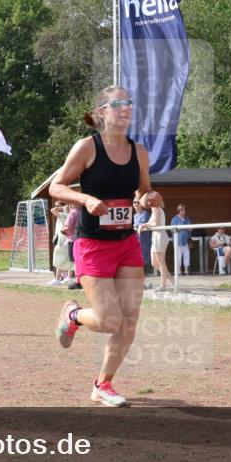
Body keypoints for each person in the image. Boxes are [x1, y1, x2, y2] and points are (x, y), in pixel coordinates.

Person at [49, 85, 163, 408]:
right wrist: (85, 199)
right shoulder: (86, 148)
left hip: (126, 242)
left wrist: (148, 199)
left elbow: (141, 193)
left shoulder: (139, 152)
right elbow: (57, 188)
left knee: (129, 320)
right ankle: (72, 315)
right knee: (109, 319)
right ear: (101, 113)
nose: (125, 108)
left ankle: (103, 384)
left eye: (128, 103)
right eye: (117, 104)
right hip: (93, 245)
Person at [141, 200, 171, 290]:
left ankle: (163, 285)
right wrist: (144, 225)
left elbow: (156, 224)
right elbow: (151, 223)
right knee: (154, 263)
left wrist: (146, 226)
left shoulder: (156, 209)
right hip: (155, 237)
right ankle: (171, 279)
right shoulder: (154, 209)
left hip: (160, 236)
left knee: (161, 262)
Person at [49, 202, 74, 285]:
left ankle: (61, 278)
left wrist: (62, 208)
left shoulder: (64, 215)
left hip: (64, 241)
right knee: (66, 258)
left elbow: (52, 210)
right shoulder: (65, 216)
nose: (56, 207)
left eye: (58, 206)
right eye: (56, 206)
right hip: (61, 240)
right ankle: (66, 277)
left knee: (62, 258)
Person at [133, 197, 152, 278]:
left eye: (138, 202)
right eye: (135, 202)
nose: (136, 204)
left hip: (144, 241)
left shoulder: (145, 213)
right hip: (136, 241)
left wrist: (134, 226)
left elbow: (142, 224)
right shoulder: (134, 216)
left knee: (143, 261)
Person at [171, 204, 193, 276]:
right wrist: (184, 228)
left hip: (186, 241)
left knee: (186, 255)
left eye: (184, 209)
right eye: (182, 210)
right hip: (178, 241)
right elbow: (172, 230)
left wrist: (182, 228)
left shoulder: (187, 218)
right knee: (178, 256)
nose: (184, 211)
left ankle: (186, 271)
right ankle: (179, 271)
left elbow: (191, 228)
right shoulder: (175, 219)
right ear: (179, 211)